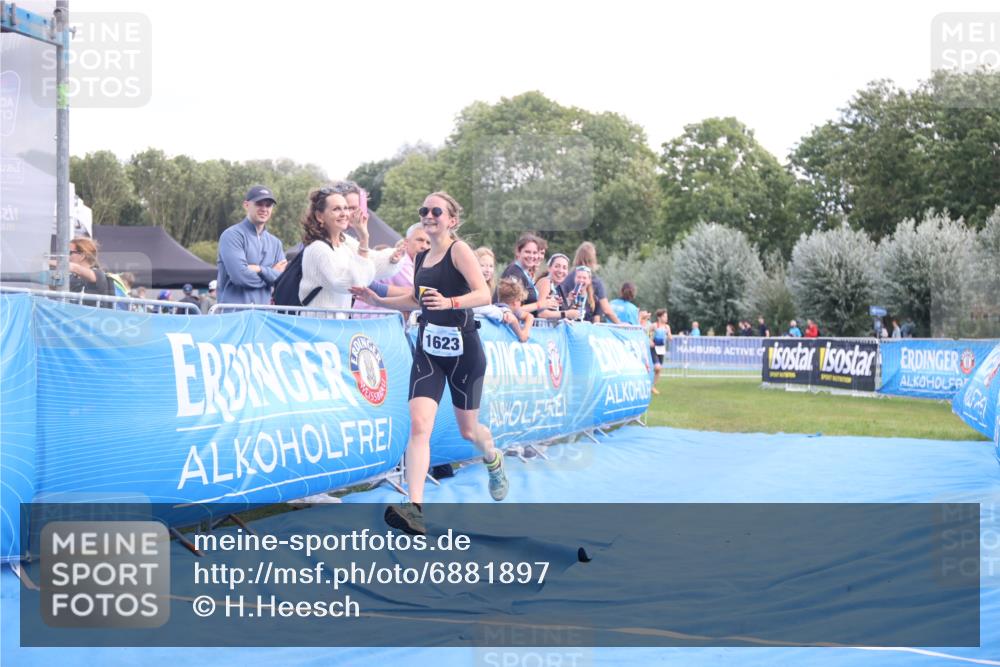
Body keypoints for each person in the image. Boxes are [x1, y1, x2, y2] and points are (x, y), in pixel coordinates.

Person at [350, 191, 508, 535]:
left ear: (451, 220)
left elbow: (483, 294)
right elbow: (414, 299)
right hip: (429, 351)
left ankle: (492, 458)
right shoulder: (420, 256)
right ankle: (415, 507)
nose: (428, 214)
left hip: (464, 350)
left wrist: (450, 301)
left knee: (470, 431)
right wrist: (376, 299)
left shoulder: (459, 250)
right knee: (420, 425)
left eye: (436, 210)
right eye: (424, 210)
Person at [298, 187, 400, 314]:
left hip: (338, 324)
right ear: (320, 216)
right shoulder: (317, 248)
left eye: (345, 208)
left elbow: (370, 264)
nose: (344, 214)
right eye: (336, 209)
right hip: (319, 325)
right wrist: (364, 238)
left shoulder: (344, 244)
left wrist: (392, 258)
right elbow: (351, 284)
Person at [217, 185, 287, 305]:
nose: (264, 209)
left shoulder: (275, 243)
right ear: (246, 205)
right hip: (234, 316)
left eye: (268, 205)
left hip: (263, 317)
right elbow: (240, 277)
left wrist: (260, 269)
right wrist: (270, 274)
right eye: (259, 203)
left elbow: (282, 280)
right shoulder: (232, 235)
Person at [560, 242, 621, 324]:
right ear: (593, 258)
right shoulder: (594, 281)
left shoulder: (566, 278)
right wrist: (620, 324)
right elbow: (607, 310)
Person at [500, 233, 556, 315]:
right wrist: (540, 304)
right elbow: (510, 309)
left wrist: (546, 302)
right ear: (518, 252)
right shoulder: (514, 272)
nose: (531, 256)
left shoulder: (524, 273)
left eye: (535, 253)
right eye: (527, 252)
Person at [535, 253, 580, 321]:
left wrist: (569, 300)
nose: (561, 271)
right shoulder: (545, 282)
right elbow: (541, 313)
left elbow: (555, 311)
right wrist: (567, 314)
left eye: (564, 268)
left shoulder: (558, 287)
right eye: (557, 266)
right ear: (549, 268)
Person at [66, 237, 112, 302]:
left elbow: (74, 268)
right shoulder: (71, 277)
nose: (66, 256)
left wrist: (49, 261)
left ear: (82, 256)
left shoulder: (98, 274)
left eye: (69, 253)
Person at [496, 277, 535, 342]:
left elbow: (529, 316)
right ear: (515, 302)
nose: (520, 304)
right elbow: (512, 319)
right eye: (520, 301)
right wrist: (521, 335)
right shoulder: (502, 308)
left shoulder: (514, 311)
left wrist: (526, 331)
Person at [650, 309, 673, 395]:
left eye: (666, 316)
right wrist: (650, 340)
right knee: (657, 367)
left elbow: (670, 337)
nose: (666, 318)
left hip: (661, 349)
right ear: (659, 317)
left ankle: (652, 386)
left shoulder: (667, 327)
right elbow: (648, 333)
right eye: (664, 316)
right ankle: (649, 385)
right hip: (654, 349)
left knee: (658, 370)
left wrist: (669, 336)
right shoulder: (654, 325)